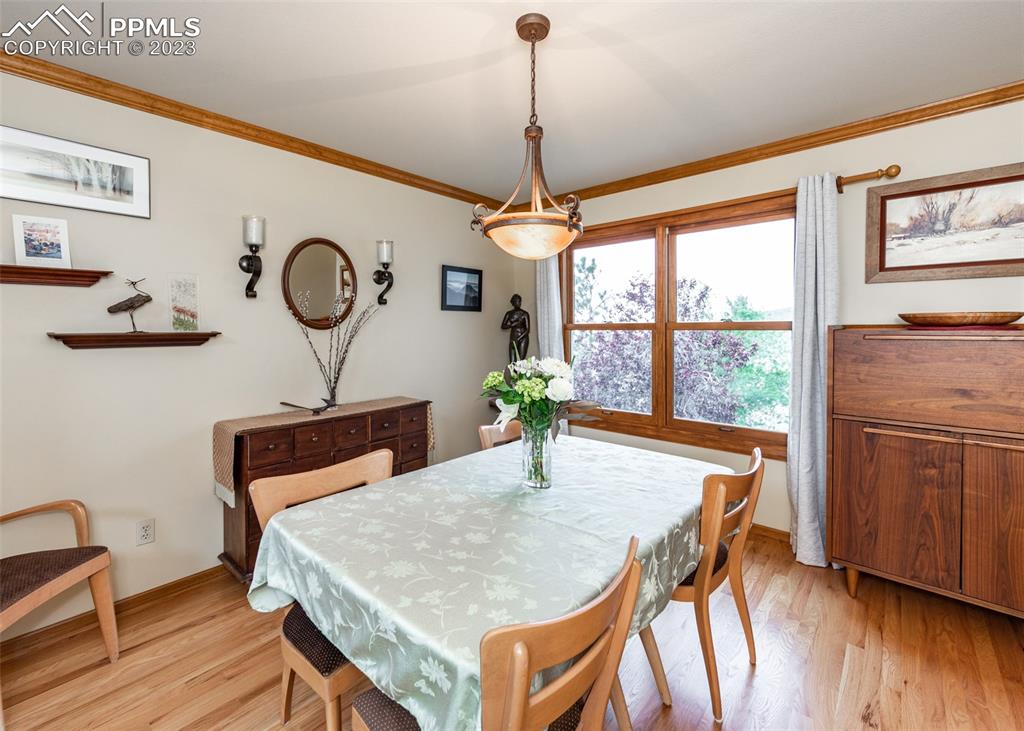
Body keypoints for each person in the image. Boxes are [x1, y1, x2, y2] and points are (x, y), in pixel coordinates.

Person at [501, 293, 530, 364]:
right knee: (512, 363)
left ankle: (520, 374)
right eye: (517, 301)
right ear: (513, 302)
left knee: (520, 362)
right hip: (513, 338)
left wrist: (519, 338)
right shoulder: (509, 313)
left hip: (523, 338)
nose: (519, 303)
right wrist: (512, 325)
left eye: (520, 301)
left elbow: (527, 329)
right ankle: (513, 375)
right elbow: (503, 326)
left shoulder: (525, 314)